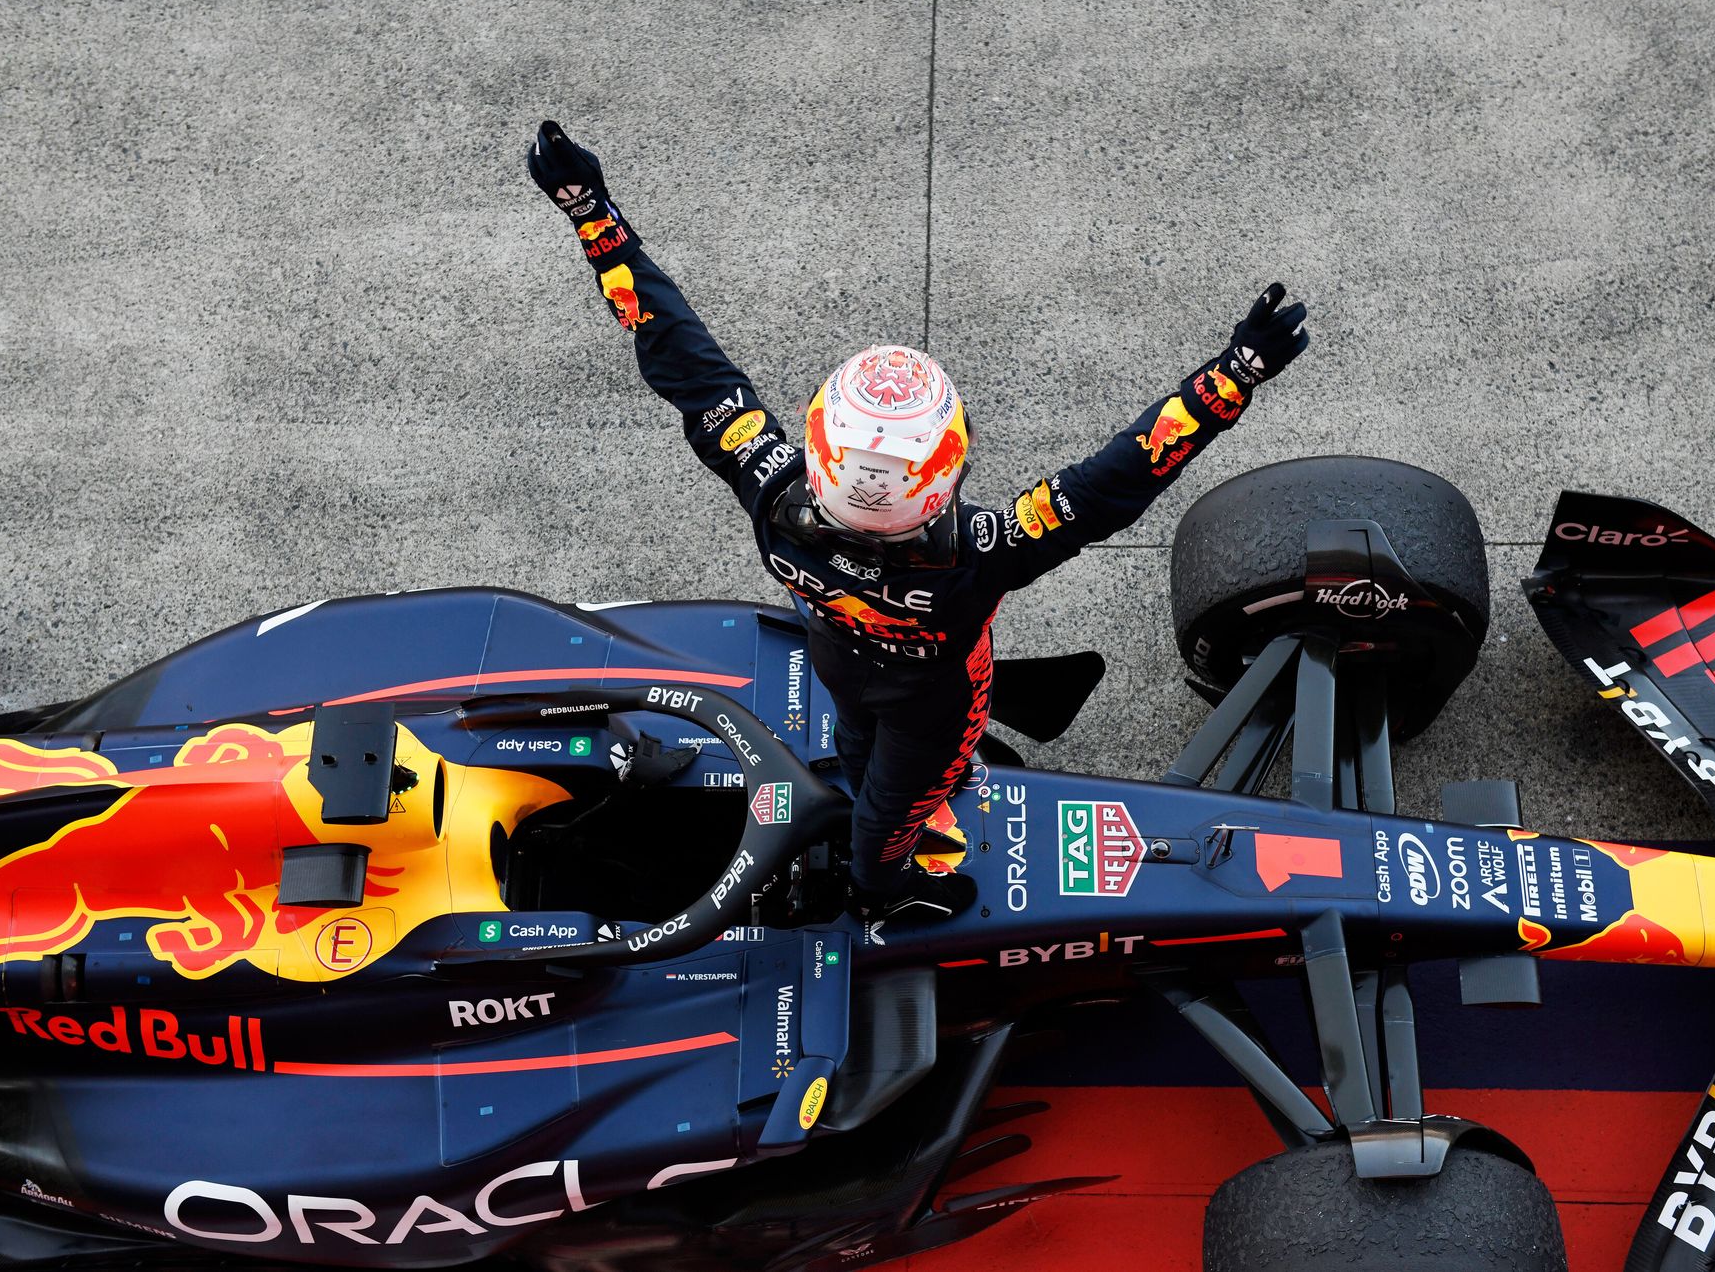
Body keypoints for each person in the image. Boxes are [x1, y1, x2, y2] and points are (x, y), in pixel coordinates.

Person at [527, 120, 1309, 921]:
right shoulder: (984, 551)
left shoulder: (769, 486)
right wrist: (1234, 374)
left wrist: (592, 213)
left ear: (821, 446)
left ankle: (871, 837)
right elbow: (1122, 475)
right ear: (944, 473)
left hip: (840, 658)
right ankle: (885, 893)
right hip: (933, 706)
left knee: (866, 778)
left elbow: (677, 353)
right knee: (887, 816)